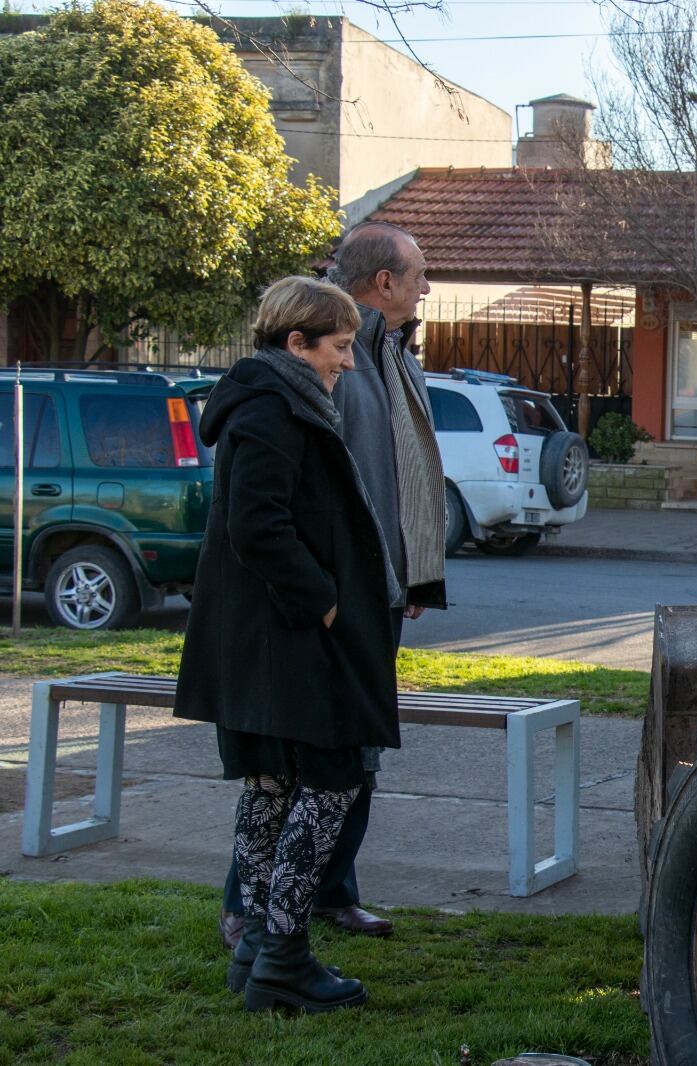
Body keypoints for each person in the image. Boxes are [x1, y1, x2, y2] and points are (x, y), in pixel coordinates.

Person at [217, 221, 448, 944]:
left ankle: (319, 898)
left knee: (354, 755)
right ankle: (254, 917)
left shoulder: (386, 350)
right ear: (382, 282)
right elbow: (286, 509)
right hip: (330, 596)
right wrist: (326, 597)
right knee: (309, 765)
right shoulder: (326, 364)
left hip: (371, 585)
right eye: (417, 274)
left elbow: (399, 475)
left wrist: (409, 573)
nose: (426, 287)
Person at [176, 276, 403, 1012]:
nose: (348, 362)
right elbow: (258, 526)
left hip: (272, 641)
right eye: (338, 347)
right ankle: (282, 956)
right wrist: (327, 606)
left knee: (272, 785)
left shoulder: (275, 400)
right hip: (290, 641)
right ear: (295, 343)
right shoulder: (273, 406)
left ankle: (258, 951)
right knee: (329, 780)